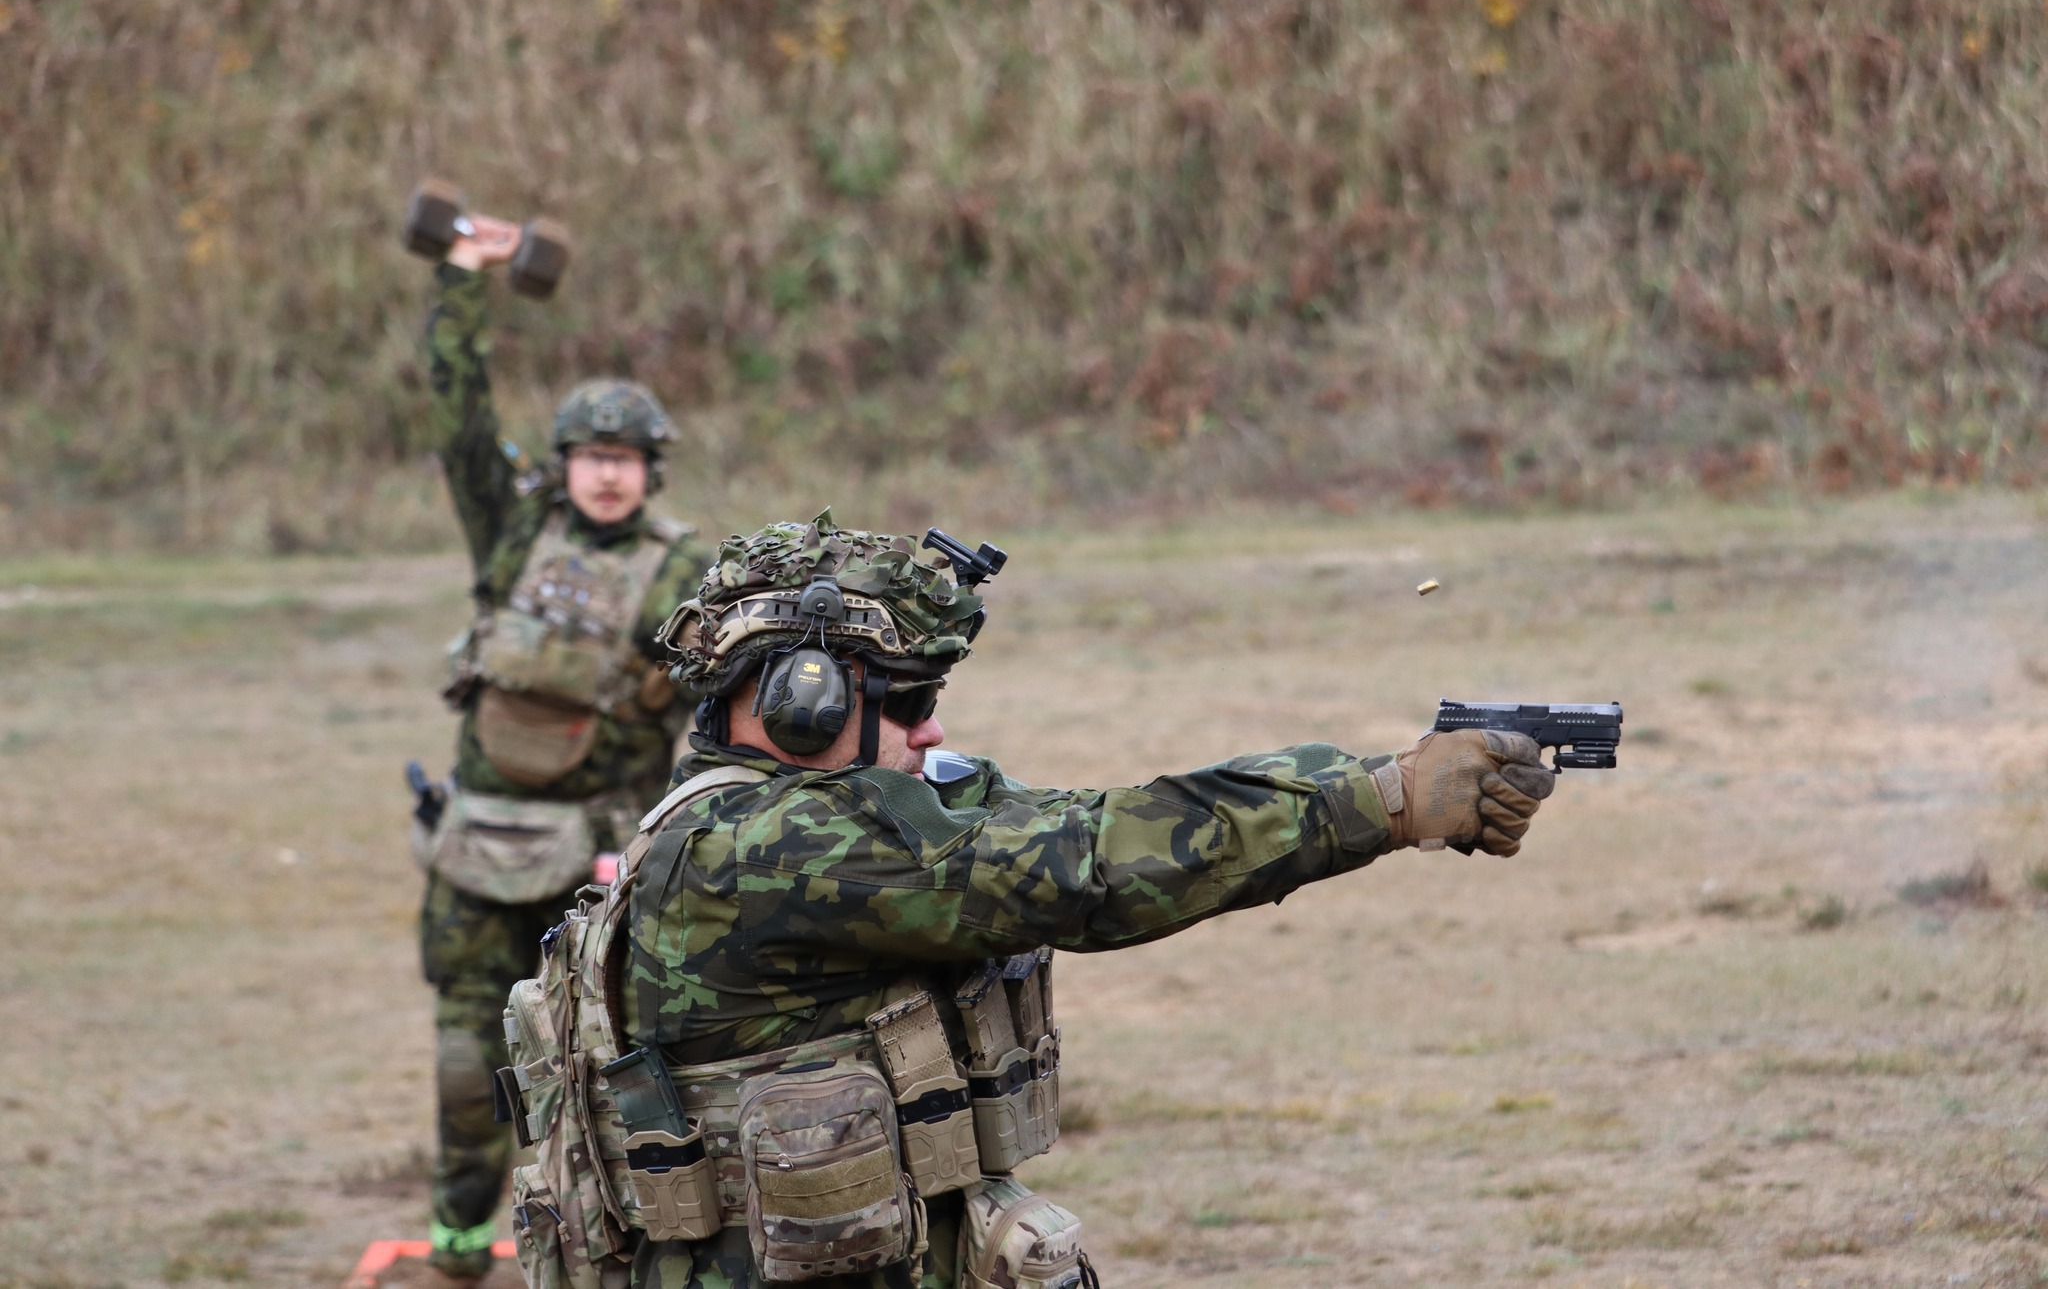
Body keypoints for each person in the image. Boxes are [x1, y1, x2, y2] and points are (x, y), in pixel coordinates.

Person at [499, 511, 1556, 1289]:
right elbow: (1085, 864)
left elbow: (1067, 818)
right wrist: (1384, 798)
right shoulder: (757, 849)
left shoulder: (800, 819)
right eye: (905, 703)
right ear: (799, 704)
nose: (929, 735)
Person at [410, 215, 710, 1282]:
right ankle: (456, 1240)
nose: (608, 477)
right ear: (563, 465)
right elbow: (456, 413)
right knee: (463, 1056)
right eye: (590, 458)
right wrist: (462, 280)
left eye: (625, 460)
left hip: (596, 854)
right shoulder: (510, 533)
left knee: (613, 1066)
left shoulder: (686, 576)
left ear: (650, 470)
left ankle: (626, 1247)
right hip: (479, 847)